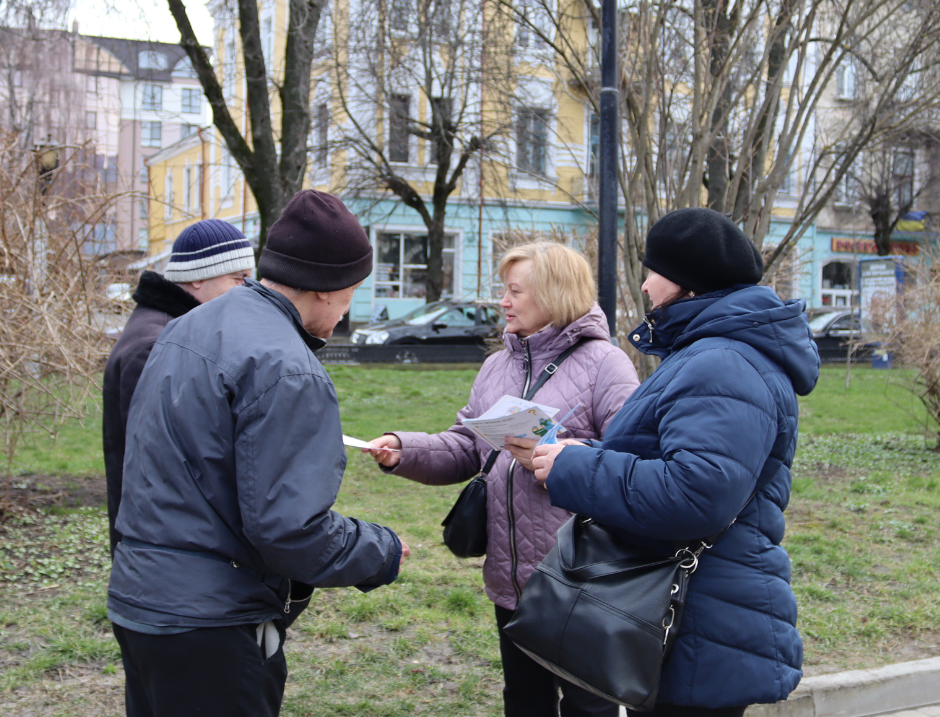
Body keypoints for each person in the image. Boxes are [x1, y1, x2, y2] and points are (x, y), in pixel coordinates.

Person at [108, 191, 409, 717]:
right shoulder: (285, 366)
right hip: (211, 626)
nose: (348, 309)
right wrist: (380, 551)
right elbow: (291, 530)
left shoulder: (184, 329)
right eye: (351, 293)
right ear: (325, 288)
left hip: (140, 604)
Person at [531, 208, 820, 717]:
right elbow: (680, 461)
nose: (644, 286)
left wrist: (573, 471)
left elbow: (695, 493)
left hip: (699, 619)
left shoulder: (723, 362)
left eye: (654, 272)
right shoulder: (711, 353)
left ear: (687, 282)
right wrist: (583, 454)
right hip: (692, 611)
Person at [367, 241, 640, 717]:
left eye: (514, 291)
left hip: (579, 577)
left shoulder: (606, 364)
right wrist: (403, 448)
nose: (503, 301)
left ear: (554, 294)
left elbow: (632, 460)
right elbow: (467, 447)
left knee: (587, 705)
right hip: (512, 580)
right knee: (524, 701)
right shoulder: (498, 365)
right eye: (504, 290)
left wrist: (560, 453)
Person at [102, 218, 255, 555]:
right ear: (197, 277)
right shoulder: (155, 345)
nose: (247, 289)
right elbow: (163, 464)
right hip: (164, 548)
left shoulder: (176, 330)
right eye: (238, 279)